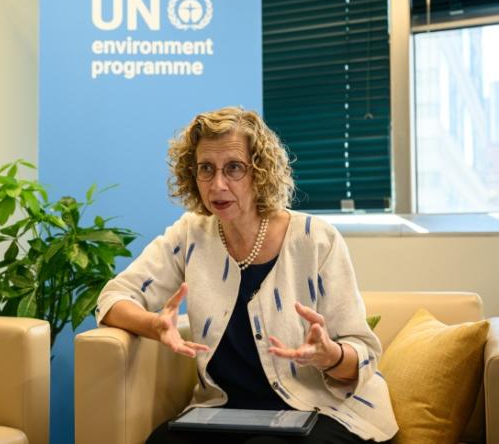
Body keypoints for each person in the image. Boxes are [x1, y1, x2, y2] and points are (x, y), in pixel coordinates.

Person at [96, 106, 398, 443]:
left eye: (234, 168)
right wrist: (154, 325)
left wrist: (330, 356)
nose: (218, 184)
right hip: (227, 412)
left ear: (260, 172)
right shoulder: (190, 235)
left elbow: (363, 351)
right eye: (206, 169)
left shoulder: (317, 238)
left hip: (323, 410)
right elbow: (112, 299)